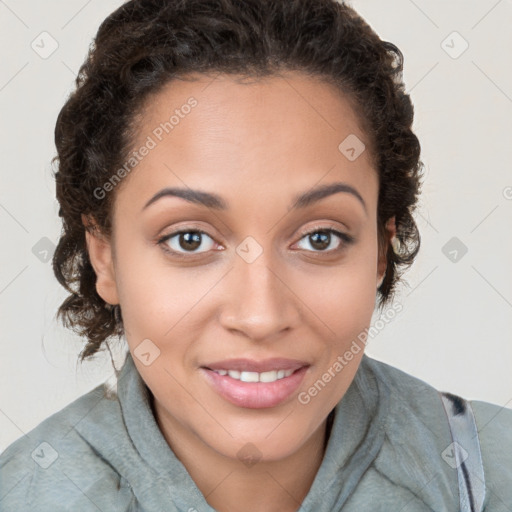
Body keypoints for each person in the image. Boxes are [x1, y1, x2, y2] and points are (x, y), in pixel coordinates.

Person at [1, 0, 511, 510]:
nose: (260, 316)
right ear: (104, 258)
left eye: (319, 238)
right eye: (190, 240)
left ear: (381, 250)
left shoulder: (487, 470)